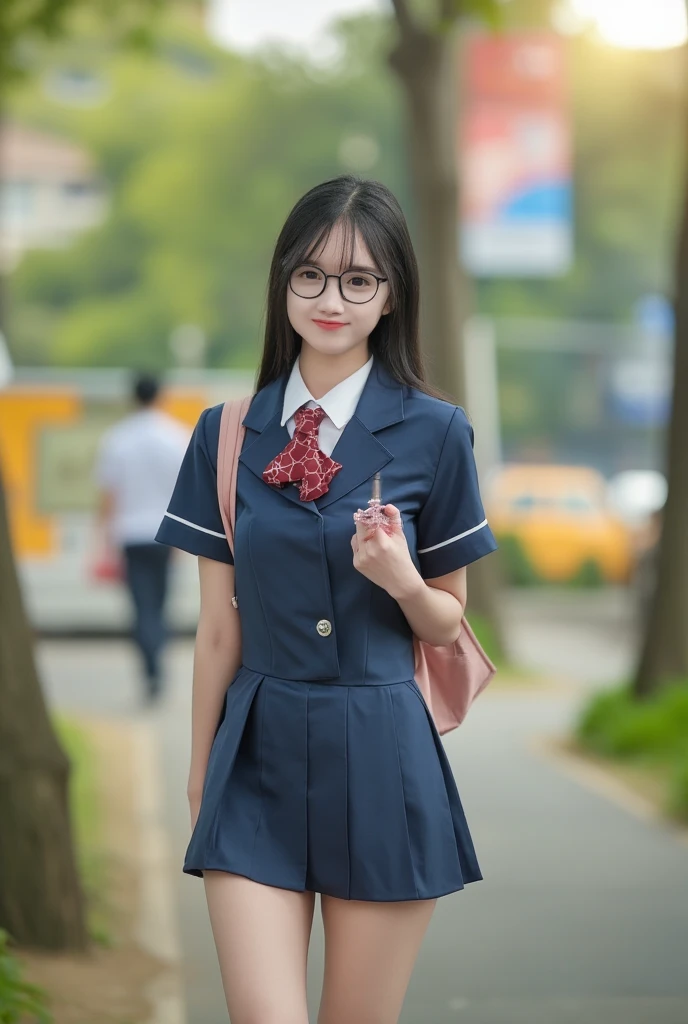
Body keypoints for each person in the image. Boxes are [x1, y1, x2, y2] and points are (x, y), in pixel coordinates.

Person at [155, 176, 498, 1024]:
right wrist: (203, 779)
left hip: (383, 754)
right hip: (256, 759)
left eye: (358, 279)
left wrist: (401, 579)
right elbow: (214, 632)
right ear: (283, 285)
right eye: (309, 275)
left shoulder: (436, 431)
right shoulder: (225, 433)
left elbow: (449, 620)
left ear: (391, 297)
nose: (330, 298)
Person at [95, 373, 188, 703]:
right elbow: (186, 491)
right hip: (165, 534)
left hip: (130, 534)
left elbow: (109, 496)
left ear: (132, 397)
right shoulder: (175, 435)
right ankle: (157, 661)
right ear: (161, 395)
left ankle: (150, 669)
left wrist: (103, 542)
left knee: (141, 607)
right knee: (161, 606)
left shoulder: (118, 438)